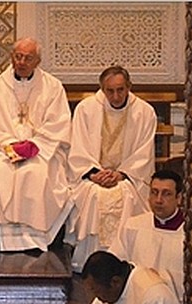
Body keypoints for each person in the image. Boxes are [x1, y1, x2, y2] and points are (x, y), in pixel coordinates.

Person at [0, 38, 72, 252]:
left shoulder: (53, 87)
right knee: (1, 170)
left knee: (38, 172)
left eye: (28, 58)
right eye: (18, 56)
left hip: (40, 150)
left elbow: (59, 123)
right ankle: (7, 238)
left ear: (37, 61)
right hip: (5, 151)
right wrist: (10, 145)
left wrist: (35, 144)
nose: (21, 62)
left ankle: (37, 237)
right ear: (11, 57)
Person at [66, 66, 157, 271]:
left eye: (120, 90)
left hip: (127, 177)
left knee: (126, 196)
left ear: (129, 87)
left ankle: (123, 262)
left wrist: (121, 174)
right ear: (102, 89)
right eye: (110, 91)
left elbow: (143, 154)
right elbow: (78, 148)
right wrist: (94, 173)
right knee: (95, 196)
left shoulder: (144, 112)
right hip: (92, 177)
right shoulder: (86, 109)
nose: (115, 96)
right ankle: (89, 262)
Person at [109, 169, 184, 304]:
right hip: (138, 303)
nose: (158, 200)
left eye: (166, 194)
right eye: (154, 193)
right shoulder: (133, 226)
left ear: (179, 198)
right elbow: (116, 264)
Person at [82, 250, 182, 304]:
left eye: (97, 291)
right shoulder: (106, 296)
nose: (98, 298)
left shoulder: (155, 297)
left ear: (115, 282)